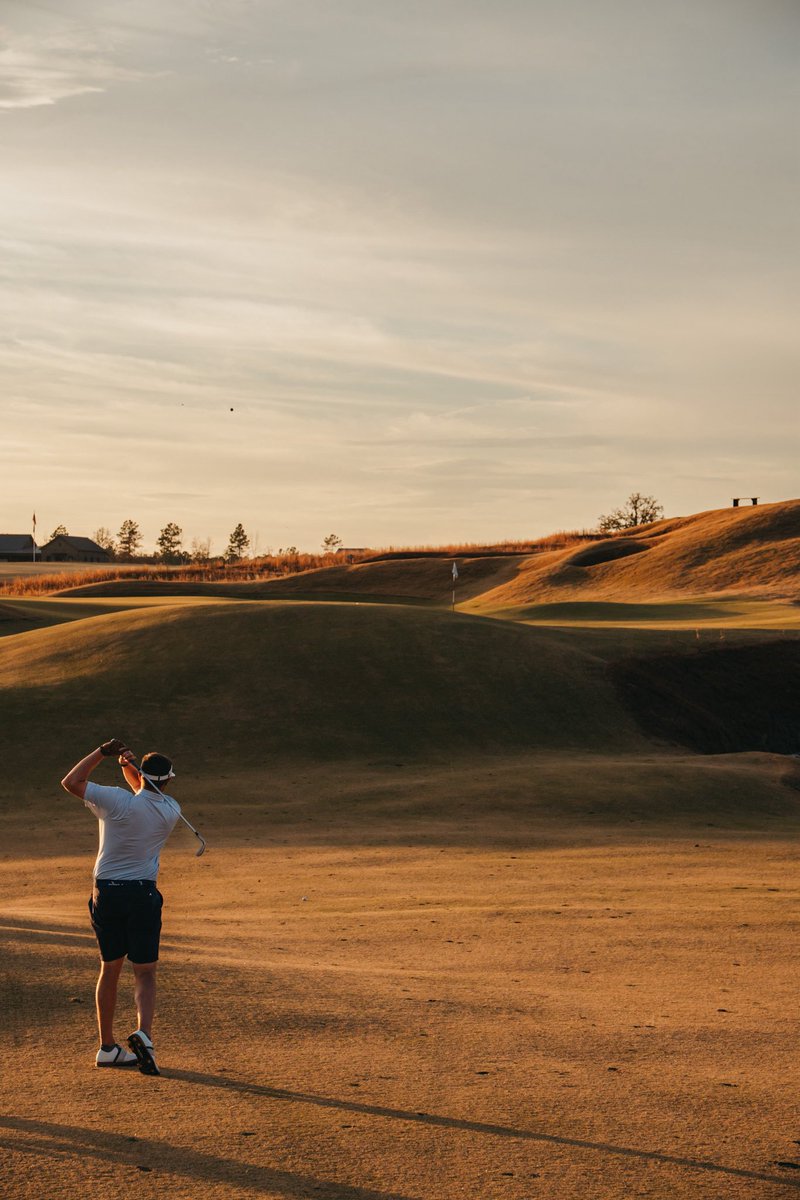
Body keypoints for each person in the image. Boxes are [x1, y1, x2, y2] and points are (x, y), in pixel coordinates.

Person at [61, 738, 181, 1076]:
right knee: (144, 972)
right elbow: (147, 793)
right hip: (143, 895)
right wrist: (131, 766)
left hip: (107, 894)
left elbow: (71, 782)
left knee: (109, 969)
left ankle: (107, 1048)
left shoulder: (115, 801)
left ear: (142, 777)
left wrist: (102, 752)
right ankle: (145, 1035)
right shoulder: (172, 810)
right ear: (169, 780)